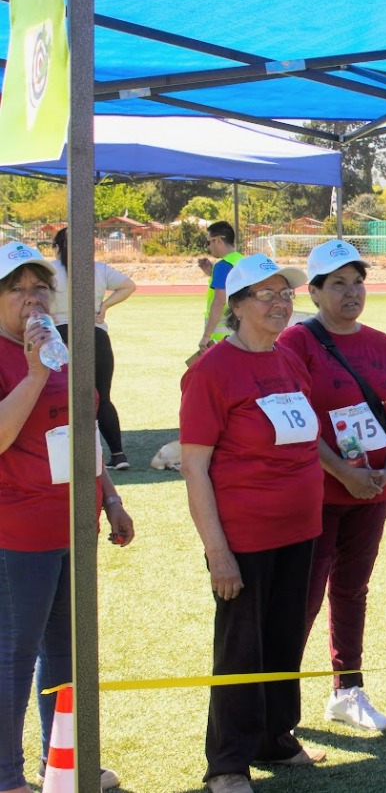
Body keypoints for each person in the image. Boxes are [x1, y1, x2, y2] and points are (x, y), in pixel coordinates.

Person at [180, 253, 326, 793]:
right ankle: (227, 762)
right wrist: (218, 552)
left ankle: (275, 736)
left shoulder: (288, 360)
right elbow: (195, 466)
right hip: (244, 536)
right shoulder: (213, 369)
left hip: (300, 530)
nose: (279, 302)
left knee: (285, 638)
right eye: (264, 294)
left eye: (285, 293)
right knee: (240, 648)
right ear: (235, 307)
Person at [0, 242, 134, 793]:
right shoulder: (23, 356)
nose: (32, 300)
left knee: (65, 654)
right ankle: (6, 777)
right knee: (14, 655)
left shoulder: (60, 347)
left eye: (41, 289)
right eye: (17, 289)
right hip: (17, 532)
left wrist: (109, 495)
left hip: (73, 525)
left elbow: (81, 430)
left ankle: (63, 765)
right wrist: (32, 373)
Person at [278, 240, 386, 731]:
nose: (351, 292)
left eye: (357, 282)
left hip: (372, 492)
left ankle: (347, 690)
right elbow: (297, 423)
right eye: (338, 283)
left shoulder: (379, 343)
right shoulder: (296, 343)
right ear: (313, 292)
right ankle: (280, 704)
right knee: (304, 596)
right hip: (318, 494)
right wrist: (344, 472)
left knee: (353, 590)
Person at [49, 227, 137, 471]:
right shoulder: (99, 269)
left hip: (61, 335)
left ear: (57, 247)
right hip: (96, 335)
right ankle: (118, 455)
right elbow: (129, 285)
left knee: (61, 398)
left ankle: (70, 456)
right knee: (103, 397)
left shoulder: (49, 271)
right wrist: (104, 306)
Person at [196, 221, 244, 352]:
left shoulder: (222, 266)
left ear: (218, 240)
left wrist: (206, 336)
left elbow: (219, 301)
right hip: (241, 333)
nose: (208, 247)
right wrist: (212, 274)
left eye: (209, 242)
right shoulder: (242, 260)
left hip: (222, 337)